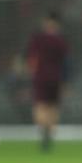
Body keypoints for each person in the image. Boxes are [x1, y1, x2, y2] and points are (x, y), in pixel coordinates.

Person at [26, 12, 68, 152]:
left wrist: (32, 72)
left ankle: (44, 132)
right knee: (53, 107)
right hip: (56, 77)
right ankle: (49, 134)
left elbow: (32, 60)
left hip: (41, 77)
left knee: (41, 106)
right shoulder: (60, 41)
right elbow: (66, 62)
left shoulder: (38, 39)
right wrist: (65, 81)